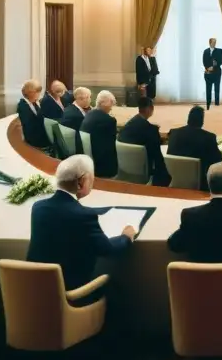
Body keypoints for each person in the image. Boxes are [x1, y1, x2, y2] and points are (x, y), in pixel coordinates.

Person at [26, 155, 135, 290]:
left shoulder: (38, 207)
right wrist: (126, 237)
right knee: (117, 288)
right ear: (81, 182)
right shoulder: (84, 216)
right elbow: (108, 250)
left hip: (36, 290)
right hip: (71, 295)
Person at [167, 106, 222, 191]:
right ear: (202, 121)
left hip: (173, 181)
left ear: (188, 118)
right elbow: (219, 162)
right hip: (201, 186)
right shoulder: (209, 138)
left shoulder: (174, 133)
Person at [117, 97, 170, 186]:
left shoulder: (127, 126)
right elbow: (157, 156)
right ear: (149, 109)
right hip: (144, 171)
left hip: (125, 170)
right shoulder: (150, 130)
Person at [80, 90, 120, 179]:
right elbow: (112, 145)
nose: (111, 107)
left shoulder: (89, 114)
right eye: (111, 104)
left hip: (88, 157)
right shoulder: (109, 120)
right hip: (103, 166)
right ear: (104, 104)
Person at [16, 79, 52, 151]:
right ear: (30, 92)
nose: (39, 94)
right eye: (37, 91)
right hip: (34, 139)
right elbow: (30, 125)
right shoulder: (23, 105)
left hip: (40, 134)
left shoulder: (35, 102)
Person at [203, 38, 222, 109]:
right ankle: (208, 104)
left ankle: (217, 104)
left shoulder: (219, 51)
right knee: (208, 89)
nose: (214, 43)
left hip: (217, 72)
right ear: (210, 43)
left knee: (217, 88)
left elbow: (221, 60)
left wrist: (214, 67)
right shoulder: (205, 51)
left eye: (215, 42)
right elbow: (204, 61)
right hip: (208, 73)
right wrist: (207, 68)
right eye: (213, 42)